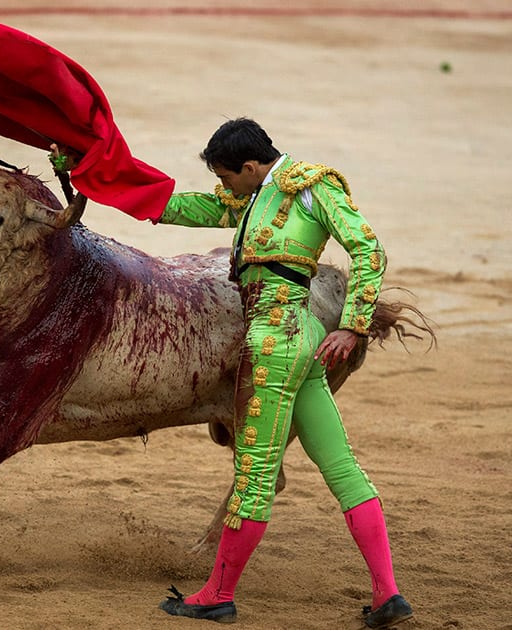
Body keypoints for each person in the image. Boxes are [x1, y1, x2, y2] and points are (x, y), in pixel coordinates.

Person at [153, 118, 413, 628]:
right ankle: (388, 595)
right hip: (301, 339)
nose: (225, 188)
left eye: (228, 177)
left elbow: (368, 249)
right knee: (342, 469)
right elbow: (197, 208)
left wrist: (356, 327)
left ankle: (217, 595)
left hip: (274, 341)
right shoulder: (257, 194)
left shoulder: (312, 186)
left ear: (251, 166)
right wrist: (107, 182)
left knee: (253, 478)